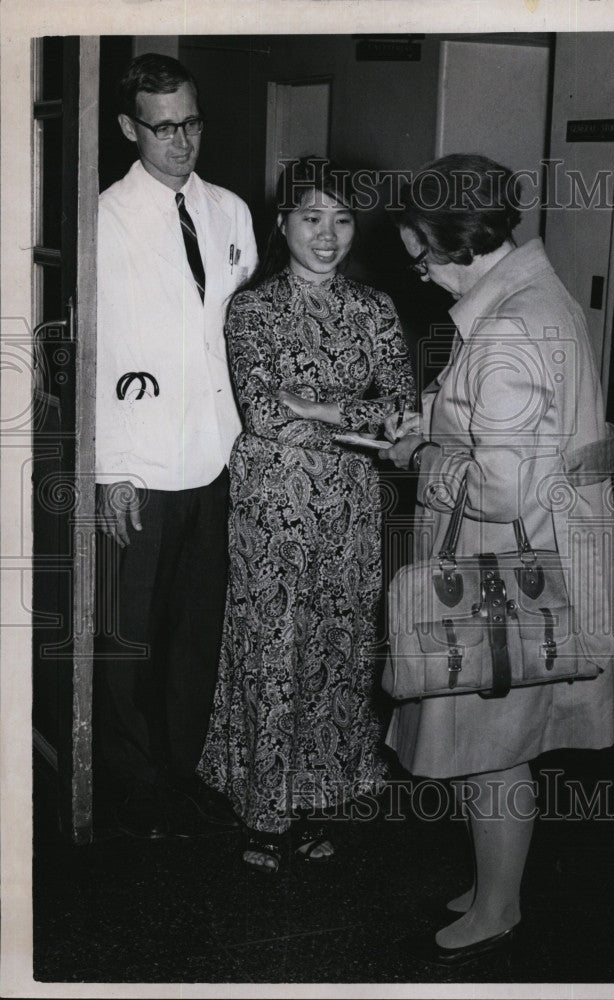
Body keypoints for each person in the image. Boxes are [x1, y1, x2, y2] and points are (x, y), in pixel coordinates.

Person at [380, 154, 614, 965]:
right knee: (500, 740)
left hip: (505, 568)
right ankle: (496, 884)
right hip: (555, 557)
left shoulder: (509, 326)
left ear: (455, 242)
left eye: (420, 254)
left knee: (492, 747)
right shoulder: (535, 298)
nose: (419, 273)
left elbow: (501, 489)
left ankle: (498, 909)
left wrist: (423, 454)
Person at [196, 157, 416, 872]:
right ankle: (265, 807)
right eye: (312, 217)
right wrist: (353, 418)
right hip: (272, 502)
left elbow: (401, 415)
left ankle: (318, 791)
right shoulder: (252, 309)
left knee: (337, 644)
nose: (328, 236)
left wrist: (317, 405)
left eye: (343, 219)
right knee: (273, 642)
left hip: (351, 502)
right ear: (283, 222)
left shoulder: (376, 307)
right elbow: (262, 418)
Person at [95, 53, 258, 839]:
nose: (181, 140)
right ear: (131, 128)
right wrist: (111, 469)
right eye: (163, 128)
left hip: (218, 454)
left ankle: (185, 773)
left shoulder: (229, 211)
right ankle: (133, 790)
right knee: (130, 637)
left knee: (199, 630)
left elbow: (236, 332)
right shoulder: (102, 219)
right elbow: (97, 352)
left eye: (191, 122)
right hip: (142, 463)